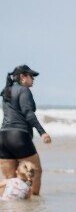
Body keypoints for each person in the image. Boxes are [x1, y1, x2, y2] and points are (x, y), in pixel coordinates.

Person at [0, 65, 51, 196]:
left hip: (3, 137)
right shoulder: (24, 91)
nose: (33, 80)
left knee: (9, 179)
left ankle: (7, 211)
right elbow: (28, 113)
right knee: (36, 171)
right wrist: (42, 132)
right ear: (22, 77)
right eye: (31, 76)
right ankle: (33, 204)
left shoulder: (6, 90)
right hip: (18, 137)